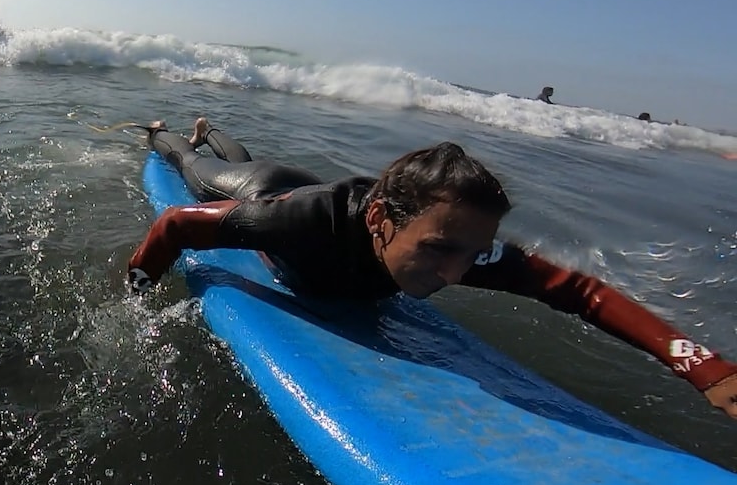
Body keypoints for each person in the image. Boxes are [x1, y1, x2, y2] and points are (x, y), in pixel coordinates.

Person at [126, 118, 737, 418]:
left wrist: (702, 365)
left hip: (350, 198)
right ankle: (172, 133)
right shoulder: (297, 224)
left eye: (471, 254)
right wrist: (136, 290)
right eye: (441, 251)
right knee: (194, 168)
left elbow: (578, 290)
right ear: (381, 223)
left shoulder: (458, 247)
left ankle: (221, 130)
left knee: (242, 156)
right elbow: (176, 226)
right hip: (270, 192)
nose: (456, 273)